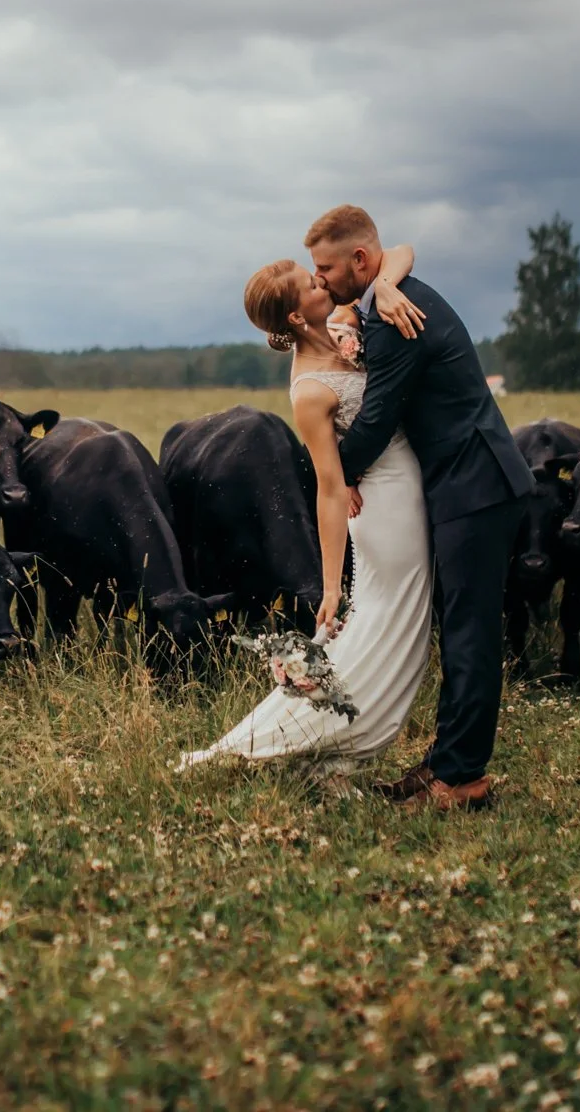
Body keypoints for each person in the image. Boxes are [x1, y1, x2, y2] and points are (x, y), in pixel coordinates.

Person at [174, 241, 433, 778]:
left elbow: (402, 250)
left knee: (387, 630)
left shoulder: (341, 319)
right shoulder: (310, 390)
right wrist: (332, 586)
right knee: (391, 626)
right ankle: (302, 739)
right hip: (385, 509)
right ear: (296, 314)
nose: (324, 283)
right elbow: (331, 487)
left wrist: (383, 286)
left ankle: (330, 727)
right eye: (312, 284)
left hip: (409, 487)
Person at [309, 204, 533, 811]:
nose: (322, 280)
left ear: (360, 260)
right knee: (460, 628)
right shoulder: (389, 294)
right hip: (464, 484)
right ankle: (445, 761)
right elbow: (396, 253)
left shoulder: (393, 320)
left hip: (478, 486)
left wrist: (335, 472)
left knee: (471, 634)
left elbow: (378, 417)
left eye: (326, 268)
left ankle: (462, 780)